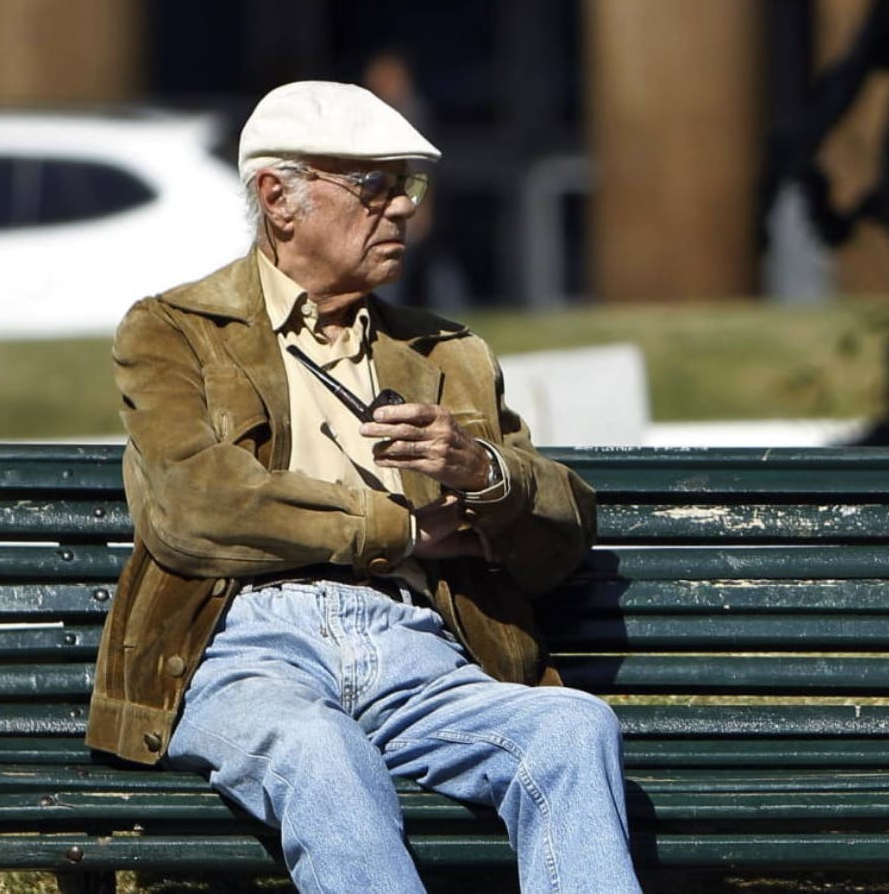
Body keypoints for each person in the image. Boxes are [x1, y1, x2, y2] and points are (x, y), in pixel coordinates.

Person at [84, 81, 640, 894]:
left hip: (418, 651)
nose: (404, 209)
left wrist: (483, 472)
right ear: (279, 196)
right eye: (374, 186)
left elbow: (563, 531)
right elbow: (191, 504)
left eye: (408, 186)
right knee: (317, 748)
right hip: (244, 646)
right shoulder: (176, 330)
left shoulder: (447, 352)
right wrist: (399, 532)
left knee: (571, 725)